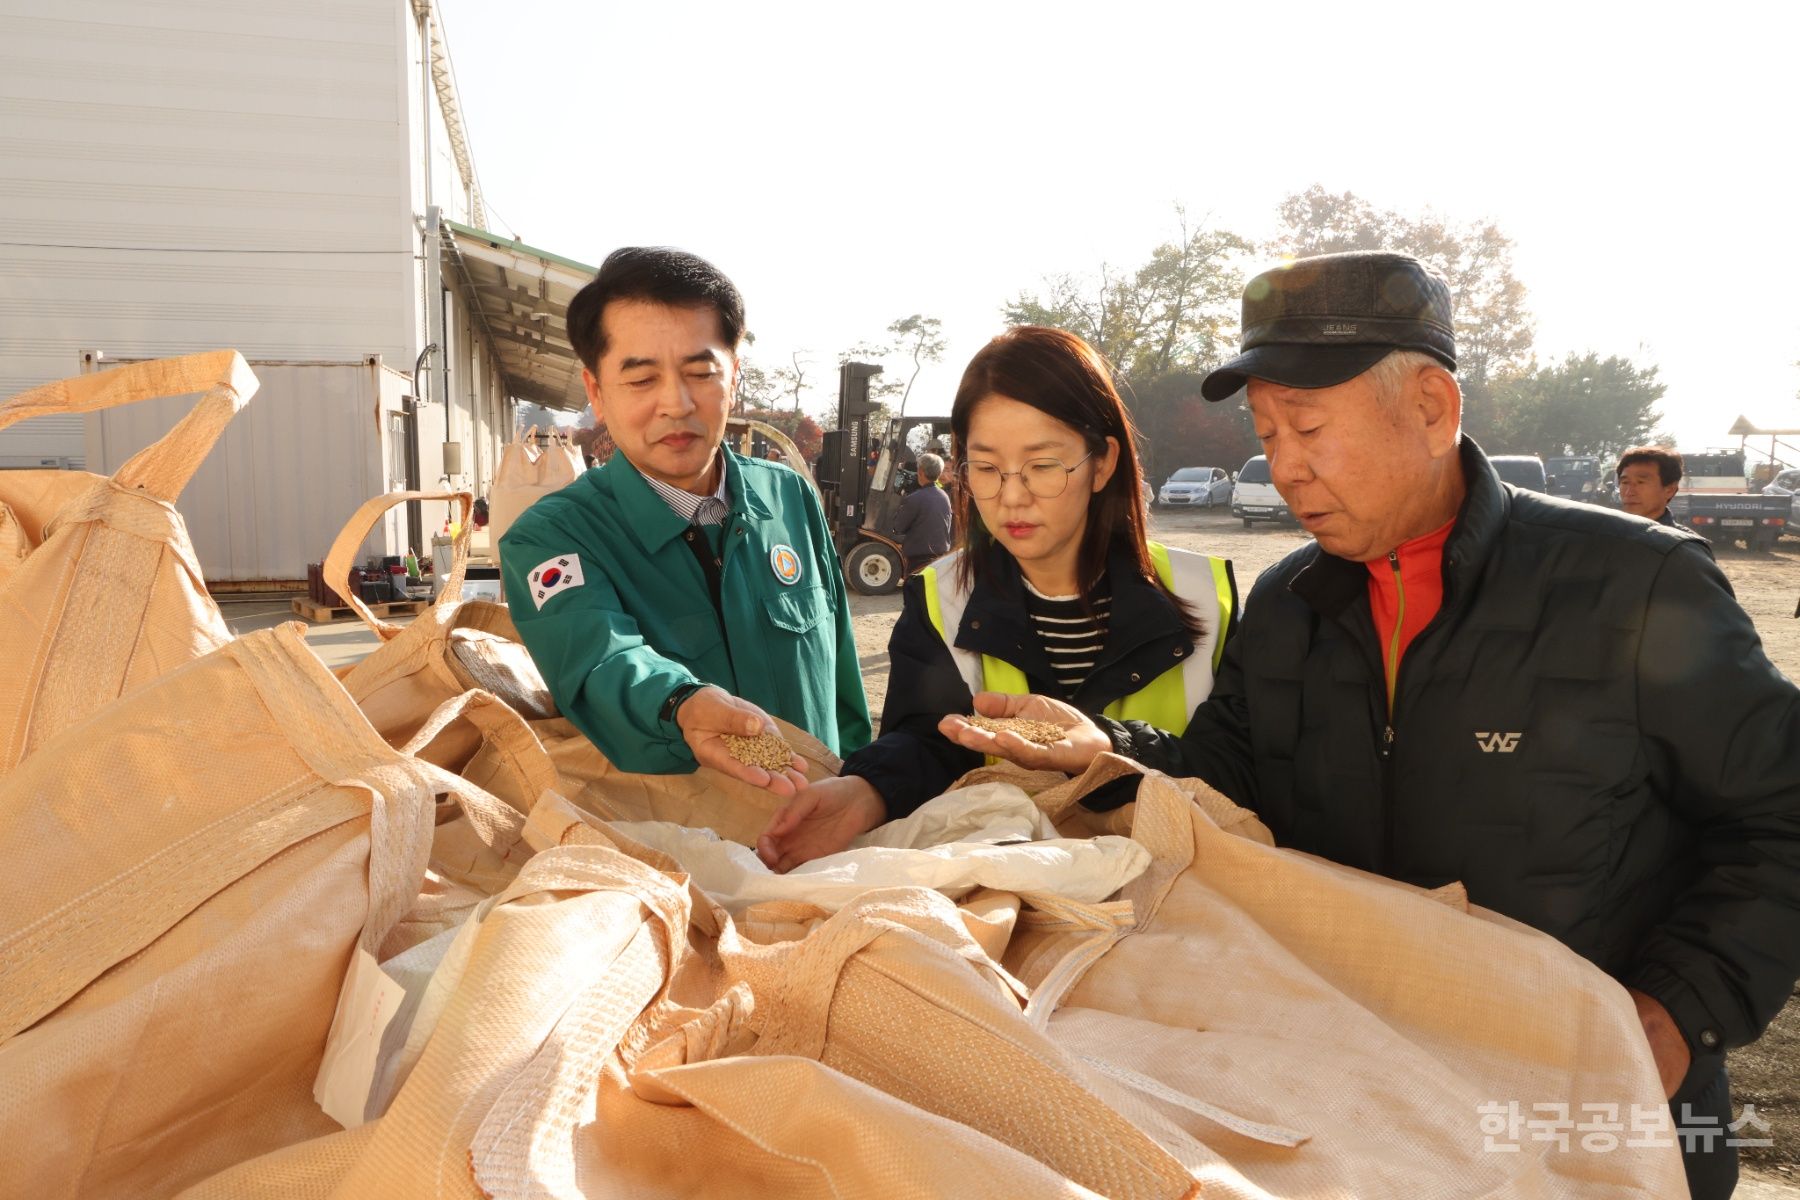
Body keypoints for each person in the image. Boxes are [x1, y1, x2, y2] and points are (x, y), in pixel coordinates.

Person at [937, 252, 1800, 1200]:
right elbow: (1227, 779)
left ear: (1431, 409)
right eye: (1267, 432)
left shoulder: (1631, 588)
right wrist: (1112, 752)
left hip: (1594, 1109)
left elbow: (1780, 813)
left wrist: (1679, 1014)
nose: (1284, 466)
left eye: (1308, 428)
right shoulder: (1289, 603)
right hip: (1379, 1104)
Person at [756, 325, 1237, 870]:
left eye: (1043, 466)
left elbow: (1239, 766)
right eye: (985, 468)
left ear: (1102, 463)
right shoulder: (940, 597)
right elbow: (930, 740)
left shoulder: (1208, 596)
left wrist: (1111, 748)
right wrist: (868, 790)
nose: (1011, 496)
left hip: (1177, 893)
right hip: (1017, 895)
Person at [501, 246, 871, 796]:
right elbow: (601, 659)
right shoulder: (553, 537)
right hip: (688, 862)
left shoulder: (790, 496)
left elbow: (841, 678)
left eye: (701, 372)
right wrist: (679, 704)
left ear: (735, 376)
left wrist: (863, 786)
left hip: (828, 836)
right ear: (597, 393)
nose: (676, 404)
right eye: (642, 380)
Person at [890, 451, 953, 575]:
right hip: (940, 556)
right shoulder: (944, 496)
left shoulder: (914, 498)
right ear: (939, 473)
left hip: (918, 559)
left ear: (920, 472)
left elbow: (898, 527)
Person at [1617, 445, 1685, 525]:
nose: (1629, 492)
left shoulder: (1682, 537)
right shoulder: (1604, 534)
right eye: (1625, 482)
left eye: (1640, 482)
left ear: (1670, 490)